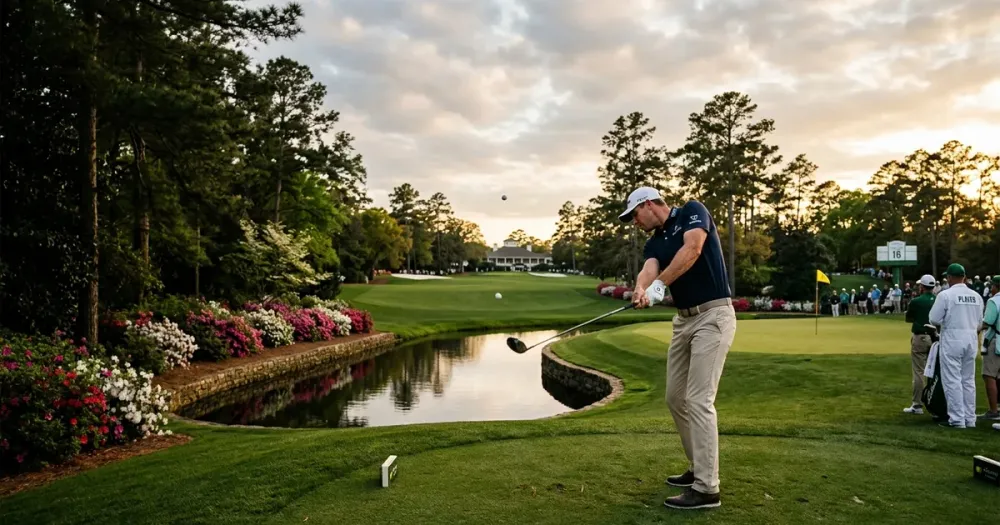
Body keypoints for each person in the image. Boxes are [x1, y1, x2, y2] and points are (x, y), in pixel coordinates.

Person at [621, 186, 735, 510]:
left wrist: (660, 285)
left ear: (647, 204)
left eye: (634, 215)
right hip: (684, 322)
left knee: (699, 399)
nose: (634, 222)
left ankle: (707, 489)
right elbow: (650, 267)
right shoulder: (654, 241)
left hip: (713, 316)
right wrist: (641, 287)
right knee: (675, 398)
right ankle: (698, 468)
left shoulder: (690, 212)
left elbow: (694, 248)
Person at [928, 263, 984, 428]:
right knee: (968, 380)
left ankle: (957, 419)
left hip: (953, 337)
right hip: (971, 338)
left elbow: (934, 319)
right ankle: (970, 418)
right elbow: (980, 322)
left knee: (952, 379)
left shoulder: (945, 295)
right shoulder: (976, 296)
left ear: (949, 278)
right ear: (965, 277)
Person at [903, 275, 937, 415]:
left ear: (922, 287)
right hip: (935, 337)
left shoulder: (916, 301)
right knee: (934, 372)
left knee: (919, 371)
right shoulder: (938, 299)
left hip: (920, 337)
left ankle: (917, 405)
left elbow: (908, 318)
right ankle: (934, 402)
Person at [978, 276, 1000, 421]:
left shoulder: (994, 301)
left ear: (996, 287)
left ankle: (993, 411)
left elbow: (987, 322)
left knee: (989, 375)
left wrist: (976, 329)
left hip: (996, 341)